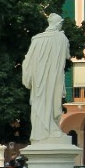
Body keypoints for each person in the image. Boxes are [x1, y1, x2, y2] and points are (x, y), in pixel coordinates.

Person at [21, 13, 71, 144]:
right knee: (52, 101)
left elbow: (27, 61)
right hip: (53, 78)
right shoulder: (62, 38)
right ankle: (51, 129)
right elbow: (67, 55)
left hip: (39, 80)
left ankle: (40, 132)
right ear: (58, 24)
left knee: (39, 103)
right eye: (61, 24)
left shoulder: (37, 39)